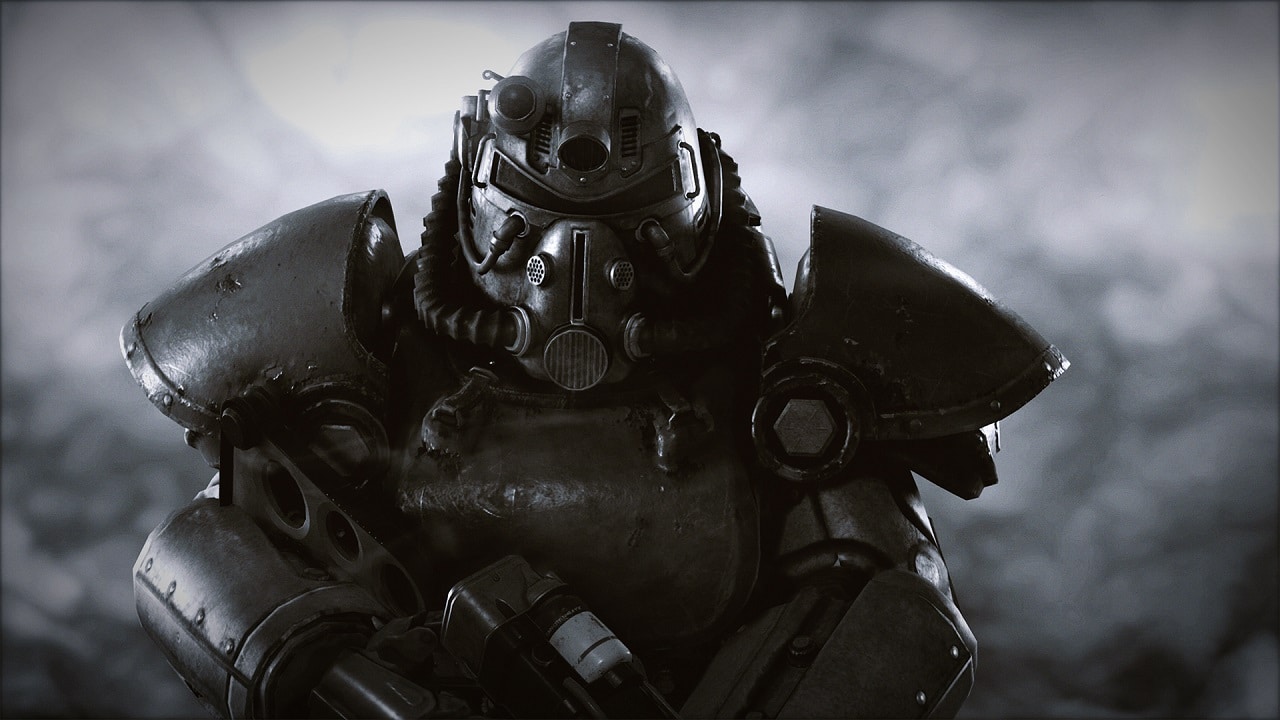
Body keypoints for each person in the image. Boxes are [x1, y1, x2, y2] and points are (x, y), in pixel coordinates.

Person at [123, 21, 1067, 719]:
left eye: (633, 211)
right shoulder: (368, 326)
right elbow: (200, 550)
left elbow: (904, 608)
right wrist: (366, 694)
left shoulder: (786, 358)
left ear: (698, 182)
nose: (578, 264)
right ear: (475, 175)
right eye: (533, 205)